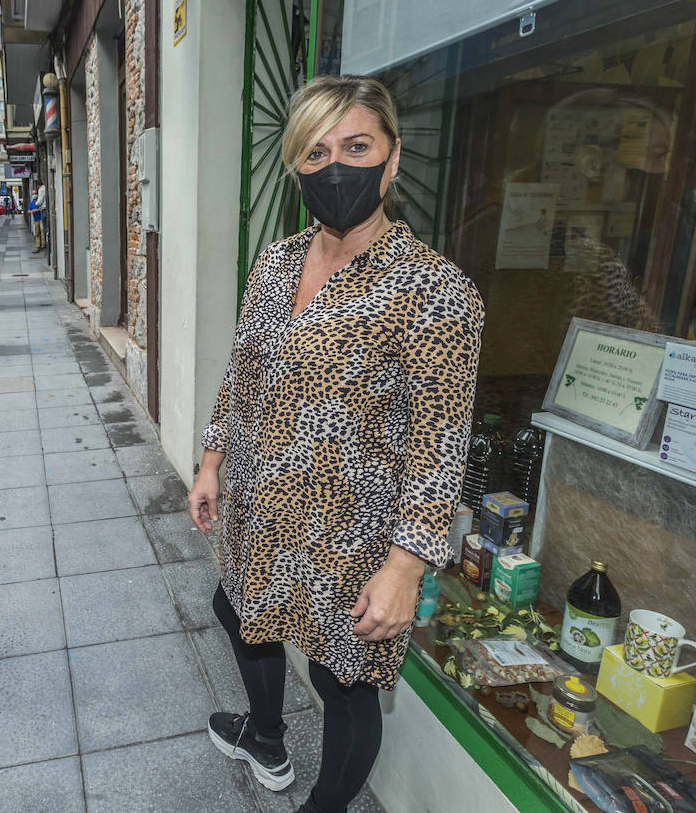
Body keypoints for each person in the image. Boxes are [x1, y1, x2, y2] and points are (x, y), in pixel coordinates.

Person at [188, 75, 484, 813]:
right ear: (296, 167)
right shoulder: (278, 261)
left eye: (356, 147)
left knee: (341, 682)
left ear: (392, 159)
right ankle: (265, 736)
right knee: (237, 611)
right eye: (315, 153)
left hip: (353, 533)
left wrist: (406, 567)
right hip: (260, 507)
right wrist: (213, 460)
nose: (335, 168)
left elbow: (440, 444)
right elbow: (244, 367)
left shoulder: (435, 291)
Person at [30, 178, 47, 252]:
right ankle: (39, 245)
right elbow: (29, 210)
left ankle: (43, 244)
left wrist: (36, 208)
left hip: (41, 214)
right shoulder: (31, 203)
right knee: (38, 232)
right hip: (36, 218)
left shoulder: (41, 190)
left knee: (43, 230)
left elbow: (39, 203)